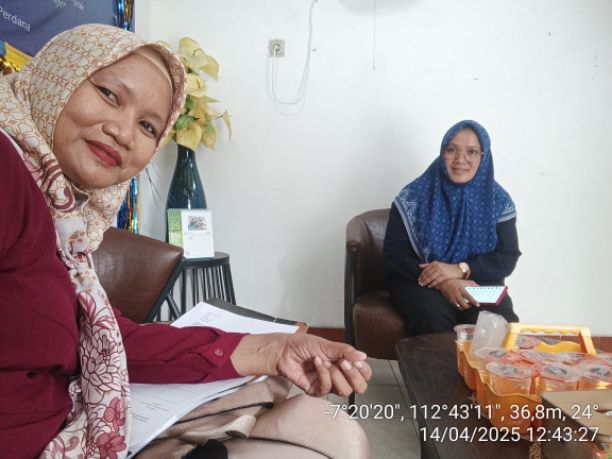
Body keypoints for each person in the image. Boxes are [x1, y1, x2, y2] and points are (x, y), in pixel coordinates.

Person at [0, 24, 371, 458]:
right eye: (110, 95)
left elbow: (104, 338)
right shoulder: (7, 167)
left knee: (323, 425)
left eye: (147, 126)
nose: (124, 132)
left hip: (69, 426)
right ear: (58, 76)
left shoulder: (62, 221)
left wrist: (275, 349)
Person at [383, 120, 521, 336]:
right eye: (451, 150)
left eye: (471, 152)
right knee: (432, 314)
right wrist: (443, 281)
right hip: (418, 282)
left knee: (496, 317)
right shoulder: (412, 196)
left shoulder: (498, 201)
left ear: (483, 157)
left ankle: (481, 362)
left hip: (477, 282)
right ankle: (436, 362)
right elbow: (395, 254)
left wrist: (459, 270)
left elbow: (506, 258)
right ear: (442, 153)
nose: (460, 160)